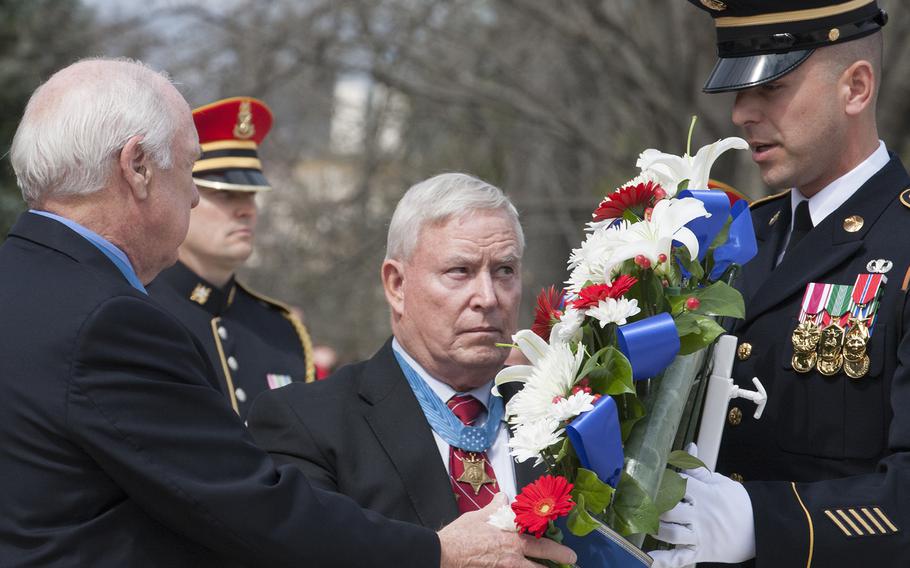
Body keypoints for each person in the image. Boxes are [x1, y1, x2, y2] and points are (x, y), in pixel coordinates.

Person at [0, 58, 576, 568]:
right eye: (189, 169)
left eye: (505, 271)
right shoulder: (110, 320)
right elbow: (248, 507)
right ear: (138, 168)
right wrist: (439, 552)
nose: (197, 197)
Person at [652, 2, 910, 567]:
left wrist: (762, 523)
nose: (743, 113)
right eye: (740, 91)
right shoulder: (739, 240)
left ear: (856, 88)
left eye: (772, 87)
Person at [248, 173, 541, 528]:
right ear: (397, 284)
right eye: (460, 271)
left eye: (505, 270)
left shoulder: (566, 413)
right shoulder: (309, 424)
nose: (488, 297)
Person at [149, 97, 314, 419]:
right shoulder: (137, 309)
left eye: (250, 194)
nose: (247, 210)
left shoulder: (280, 330)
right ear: (180, 195)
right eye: (224, 194)